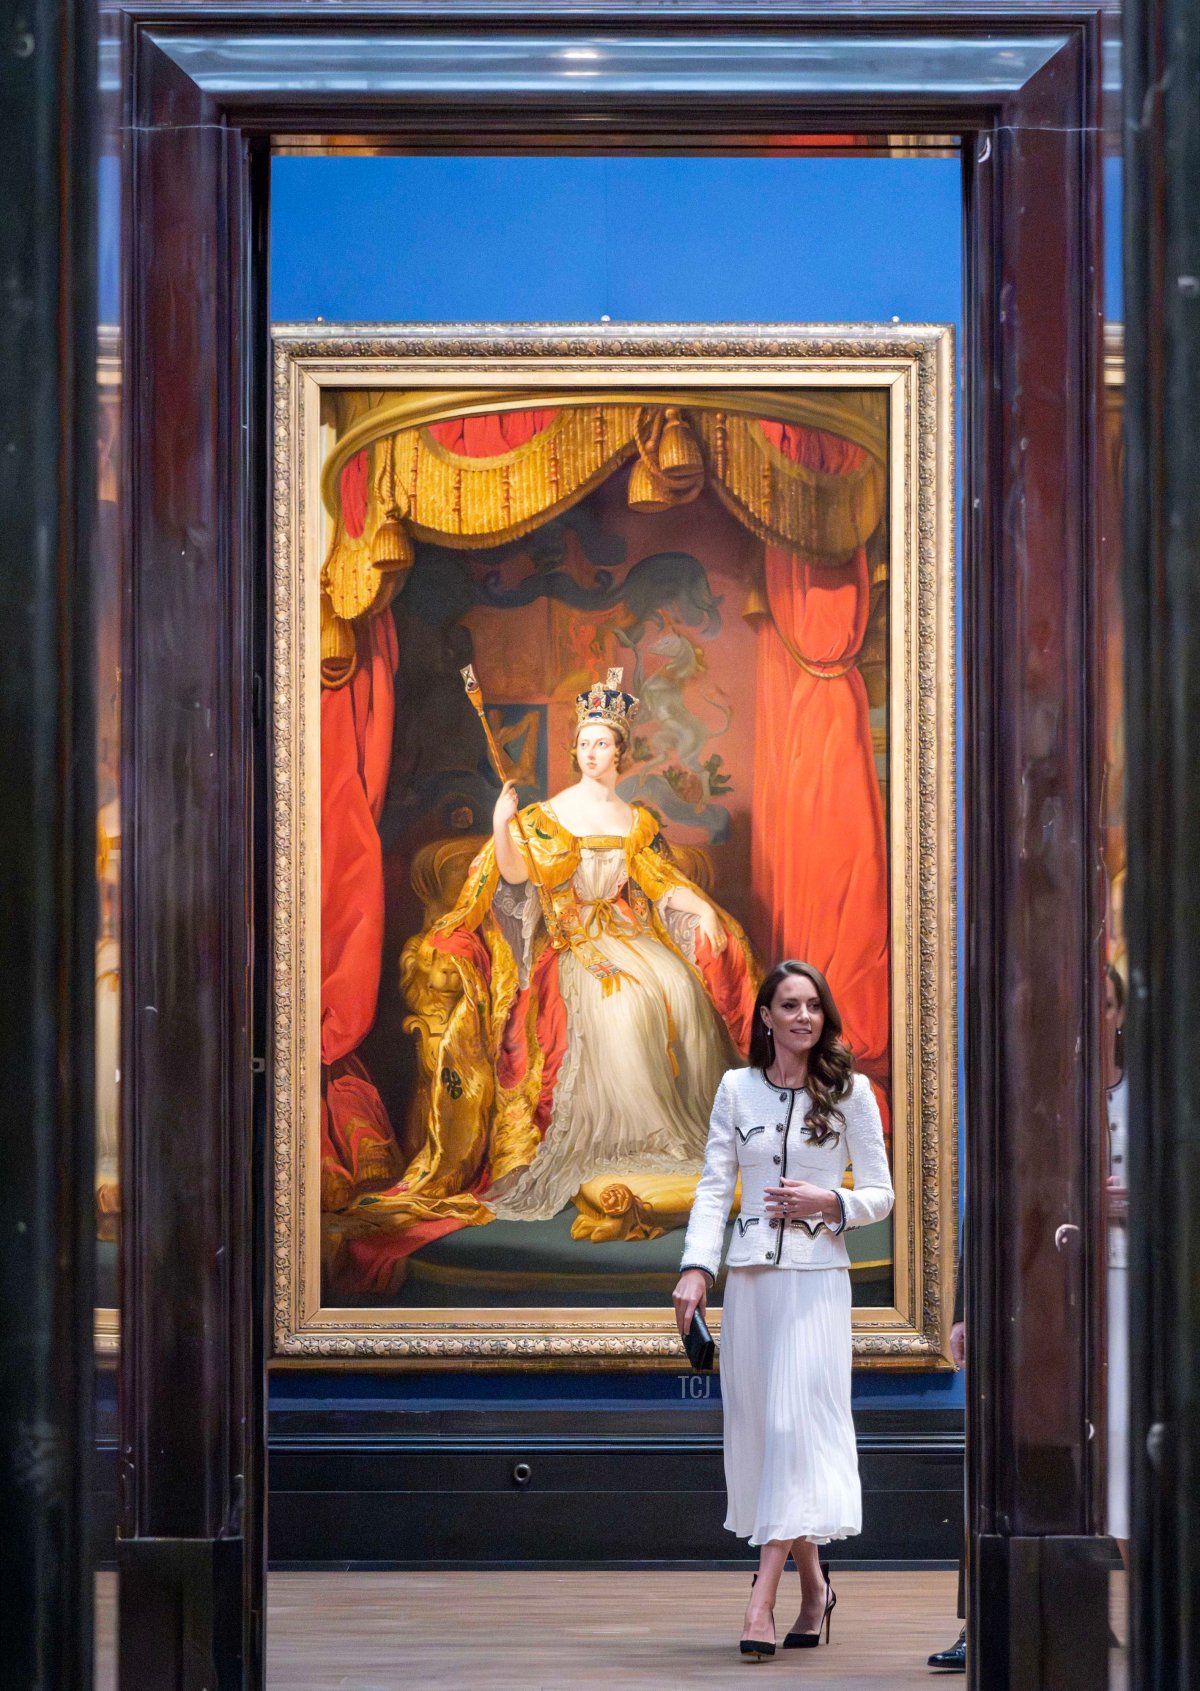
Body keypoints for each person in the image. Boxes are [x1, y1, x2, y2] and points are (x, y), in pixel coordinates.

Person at [673, 959, 894, 1659]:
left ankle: (761, 1599)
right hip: (753, 1286)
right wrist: (695, 1269)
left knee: (794, 1423)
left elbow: (881, 1194)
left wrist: (831, 1202)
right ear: (765, 1015)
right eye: (789, 1004)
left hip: (817, 1281)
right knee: (771, 1434)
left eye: (813, 1006)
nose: (803, 1016)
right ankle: (815, 1586)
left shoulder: (853, 1094)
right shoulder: (736, 1089)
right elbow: (714, 1187)